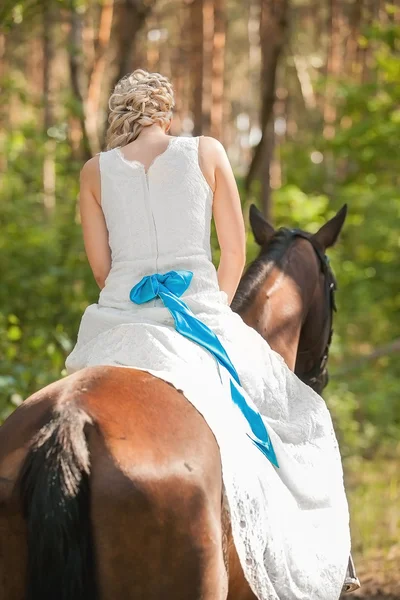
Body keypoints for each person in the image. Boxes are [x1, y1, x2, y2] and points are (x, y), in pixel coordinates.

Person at [65, 69, 353, 599]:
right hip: (198, 314)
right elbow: (236, 255)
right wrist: (207, 310)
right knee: (294, 415)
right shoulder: (207, 152)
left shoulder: (93, 172)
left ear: (119, 117)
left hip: (117, 322)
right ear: (166, 112)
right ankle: (321, 556)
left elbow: (104, 274)